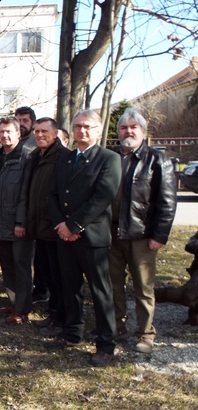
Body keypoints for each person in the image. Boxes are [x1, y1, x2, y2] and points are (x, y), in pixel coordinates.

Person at [44, 110, 121, 367]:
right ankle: (72, 333)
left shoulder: (109, 159)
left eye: (87, 126)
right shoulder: (65, 159)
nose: (82, 130)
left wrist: (74, 225)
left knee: (101, 292)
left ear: (98, 130)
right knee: (70, 287)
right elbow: (53, 194)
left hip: (92, 237)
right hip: (65, 236)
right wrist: (61, 225)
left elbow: (102, 197)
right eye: (77, 126)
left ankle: (106, 345)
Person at [110, 108, 177, 353]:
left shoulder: (157, 160)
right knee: (113, 285)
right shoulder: (111, 158)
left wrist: (159, 235)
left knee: (143, 288)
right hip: (112, 235)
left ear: (143, 131)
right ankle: (116, 327)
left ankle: (146, 334)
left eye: (133, 127)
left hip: (142, 236)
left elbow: (167, 202)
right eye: (123, 128)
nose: (128, 131)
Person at [24, 118, 70, 335]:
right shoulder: (35, 156)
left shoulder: (63, 157)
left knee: (59, 277)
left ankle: (61, 320)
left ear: (56, 133)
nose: (40, 135)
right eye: (36, 131)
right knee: (48, 276)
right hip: (38, 227)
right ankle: (53, 315)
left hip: (54, 227)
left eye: (44, 131)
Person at [0, 116, 35, 324]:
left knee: (22, 267)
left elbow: (26, 194)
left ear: (18, 133)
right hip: (1, 223)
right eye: (2, 131)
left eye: (9, 131)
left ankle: (22, 309)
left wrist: (21, 222)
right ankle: (13, 302)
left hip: (18, 225)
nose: (5, 135)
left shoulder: (26, 157)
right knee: (7, 266)